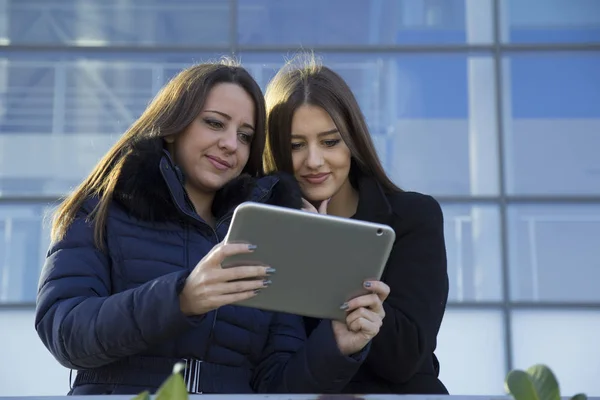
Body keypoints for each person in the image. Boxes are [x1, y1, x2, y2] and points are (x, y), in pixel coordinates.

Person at [34, 59, 390, 395]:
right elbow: (65, 331)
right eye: (215, 123)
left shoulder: (267, 233)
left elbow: (276, 386)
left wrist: (337, 344)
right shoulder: (101, 210)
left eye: (246, 135)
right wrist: (182, 298)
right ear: (174, 125)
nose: (230, 143)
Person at [263, 55, 450, 394]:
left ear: (353, 141)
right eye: (295, 145)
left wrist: (326, 249)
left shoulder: (412, 217)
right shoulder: (263, 229)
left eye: (330, 141)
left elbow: (406, 358)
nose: (314, 160)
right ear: (275, 150)